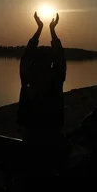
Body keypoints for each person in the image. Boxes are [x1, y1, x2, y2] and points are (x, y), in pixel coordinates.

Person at [17, 11, 67, 151]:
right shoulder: (57, 77)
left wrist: (40, 28)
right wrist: (52, 30)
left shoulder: (28, 76)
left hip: (33, 127)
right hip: (51, 127)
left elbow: (26, 57)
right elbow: (60, 58)